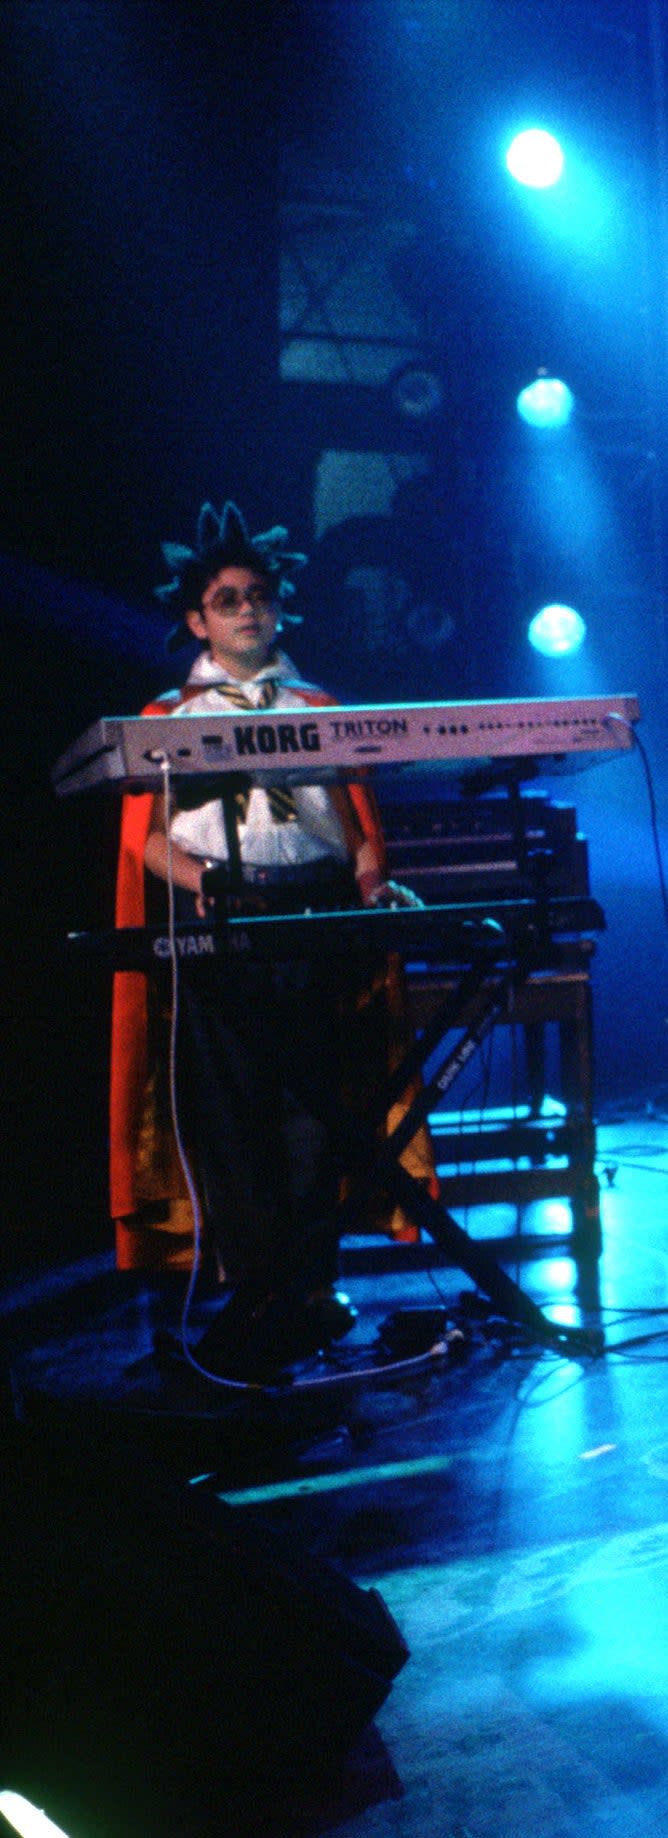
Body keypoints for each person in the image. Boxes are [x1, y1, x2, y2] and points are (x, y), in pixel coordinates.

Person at [110, 500, 436, 1380]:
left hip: (319, 907)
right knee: (234, 1101)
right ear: (197, 619)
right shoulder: (166, 716)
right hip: (232, 909)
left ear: (279, 607)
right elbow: (147, 839)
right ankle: (258, 1284)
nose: (248, 610)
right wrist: (208, 885)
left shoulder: (318, 707)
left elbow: (357, 819)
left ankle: (311, 1282)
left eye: (259, 595)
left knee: (321, 1100)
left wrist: (371, 884)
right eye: (228, 599)